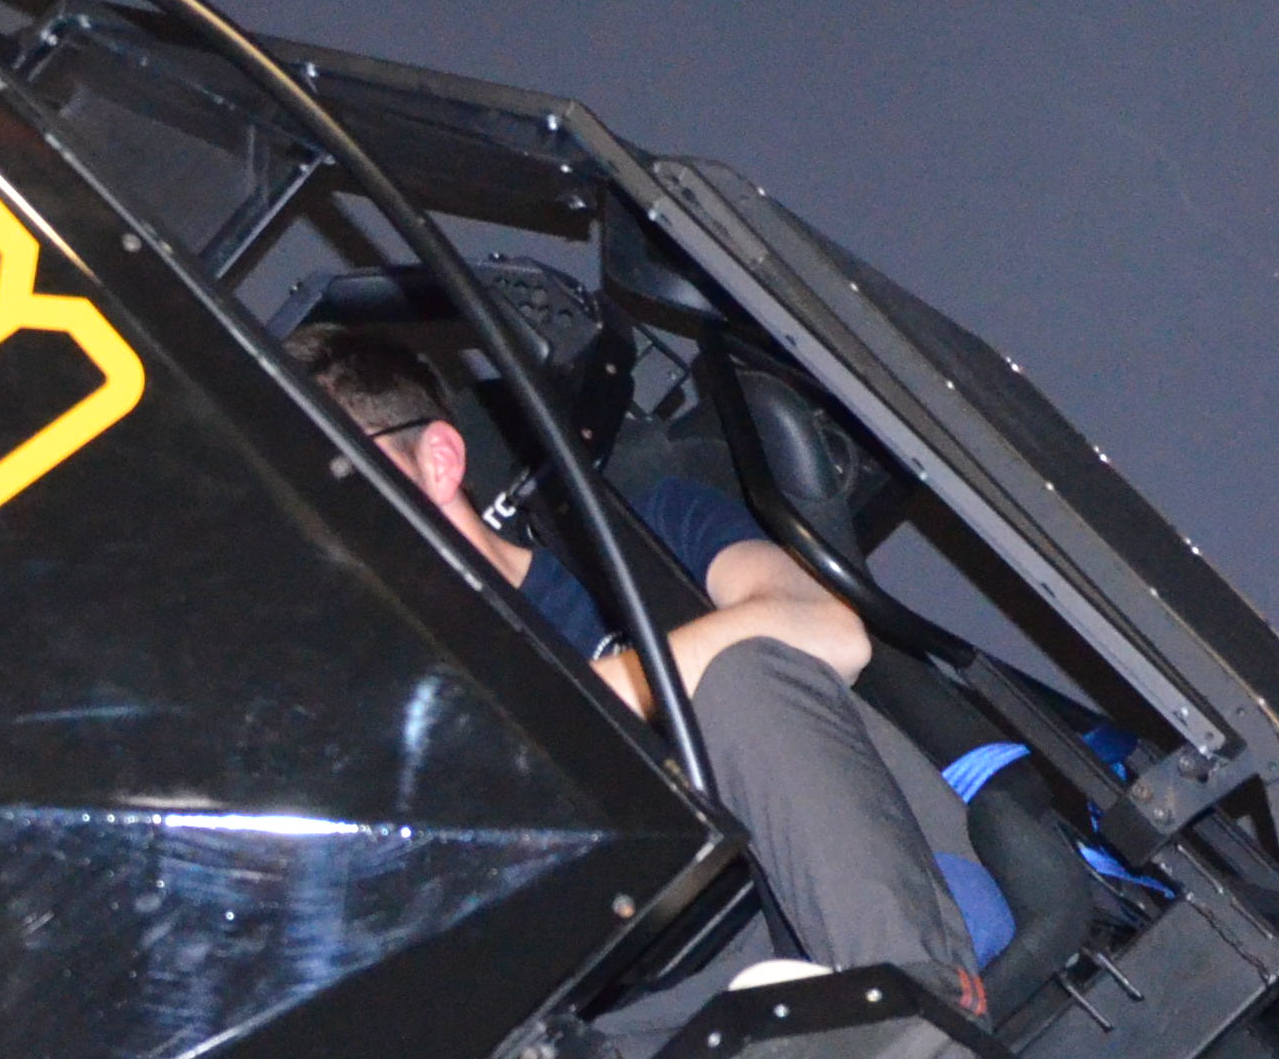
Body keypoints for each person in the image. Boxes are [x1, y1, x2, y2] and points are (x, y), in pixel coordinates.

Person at [292, 323, 998, 1016]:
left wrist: (579, 704)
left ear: (439, 460)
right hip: (665, 998)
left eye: (335, 480)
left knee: (742, 674)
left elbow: (833, 631)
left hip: (877, 890)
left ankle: (905, 1010)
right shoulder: (405, 720)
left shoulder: (648, 534)